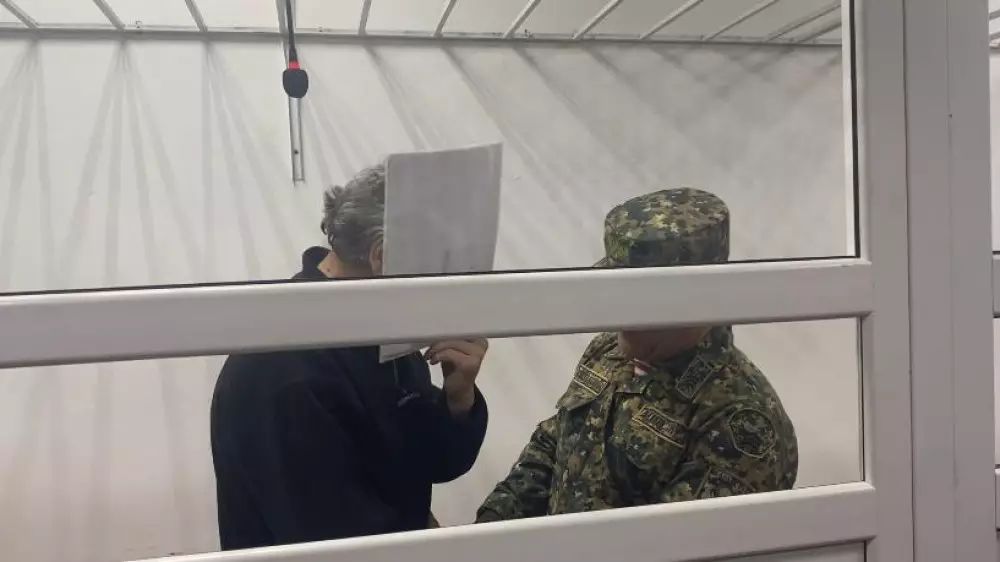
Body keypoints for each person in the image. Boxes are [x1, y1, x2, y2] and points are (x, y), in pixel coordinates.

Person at [211, 164, 489, 550]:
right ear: (382, 256)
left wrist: (458, 400)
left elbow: (428, 460)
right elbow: (340, 543)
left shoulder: (379, 329)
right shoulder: (283, 368)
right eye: (441, 268)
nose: (447, 286)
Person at [476, 188, 797, 522]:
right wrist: (493, 523)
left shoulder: (739, 420)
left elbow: (672, 541)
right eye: (612, 292)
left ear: (695, 299)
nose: (614, 313)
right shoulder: (609, 351)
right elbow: (553, 444)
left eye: (633, 298)